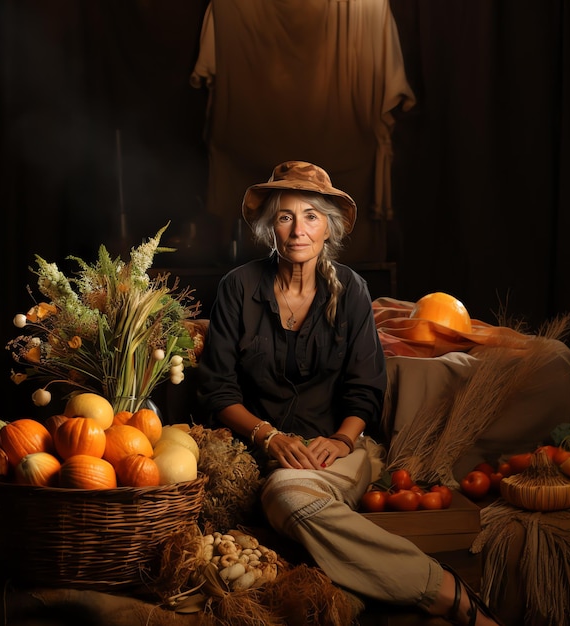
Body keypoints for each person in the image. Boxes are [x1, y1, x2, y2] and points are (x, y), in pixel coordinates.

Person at [196, 161, 502, 625]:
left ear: (329, 229)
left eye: (311, 217)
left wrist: (340, 440)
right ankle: (441, 589)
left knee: (285, 495)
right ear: (270, 228)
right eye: (285, 216)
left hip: (337, 451)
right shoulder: (238, 288)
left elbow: (365, 389)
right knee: (279, 486)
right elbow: (217, 389)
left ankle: (437, 589)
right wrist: (268, 435)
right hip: (255, 453)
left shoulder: (352, 291)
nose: (298, 229)